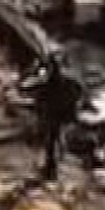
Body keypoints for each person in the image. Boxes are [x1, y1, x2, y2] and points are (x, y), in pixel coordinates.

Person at [30, 55, 84, 184]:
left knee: (53, 142)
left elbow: (39, 96)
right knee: (54, 142)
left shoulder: (51, 82)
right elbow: (78, 94)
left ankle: (53, 170)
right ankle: (54, 170)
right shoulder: (70, 81)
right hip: (60, 115)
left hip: (55, 115)